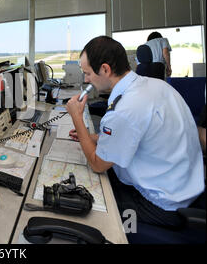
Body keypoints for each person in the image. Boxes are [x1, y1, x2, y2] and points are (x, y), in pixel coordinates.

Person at [66, 36, 204, 230]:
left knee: (83, 206)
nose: (86, 80)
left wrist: (77, 119)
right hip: (185, 187)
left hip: (160, 205)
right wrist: (94, 137)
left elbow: (98, 164)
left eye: (87, 73)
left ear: (105, 69)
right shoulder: (156, 85)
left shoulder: (125, 109)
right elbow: (141, 132)